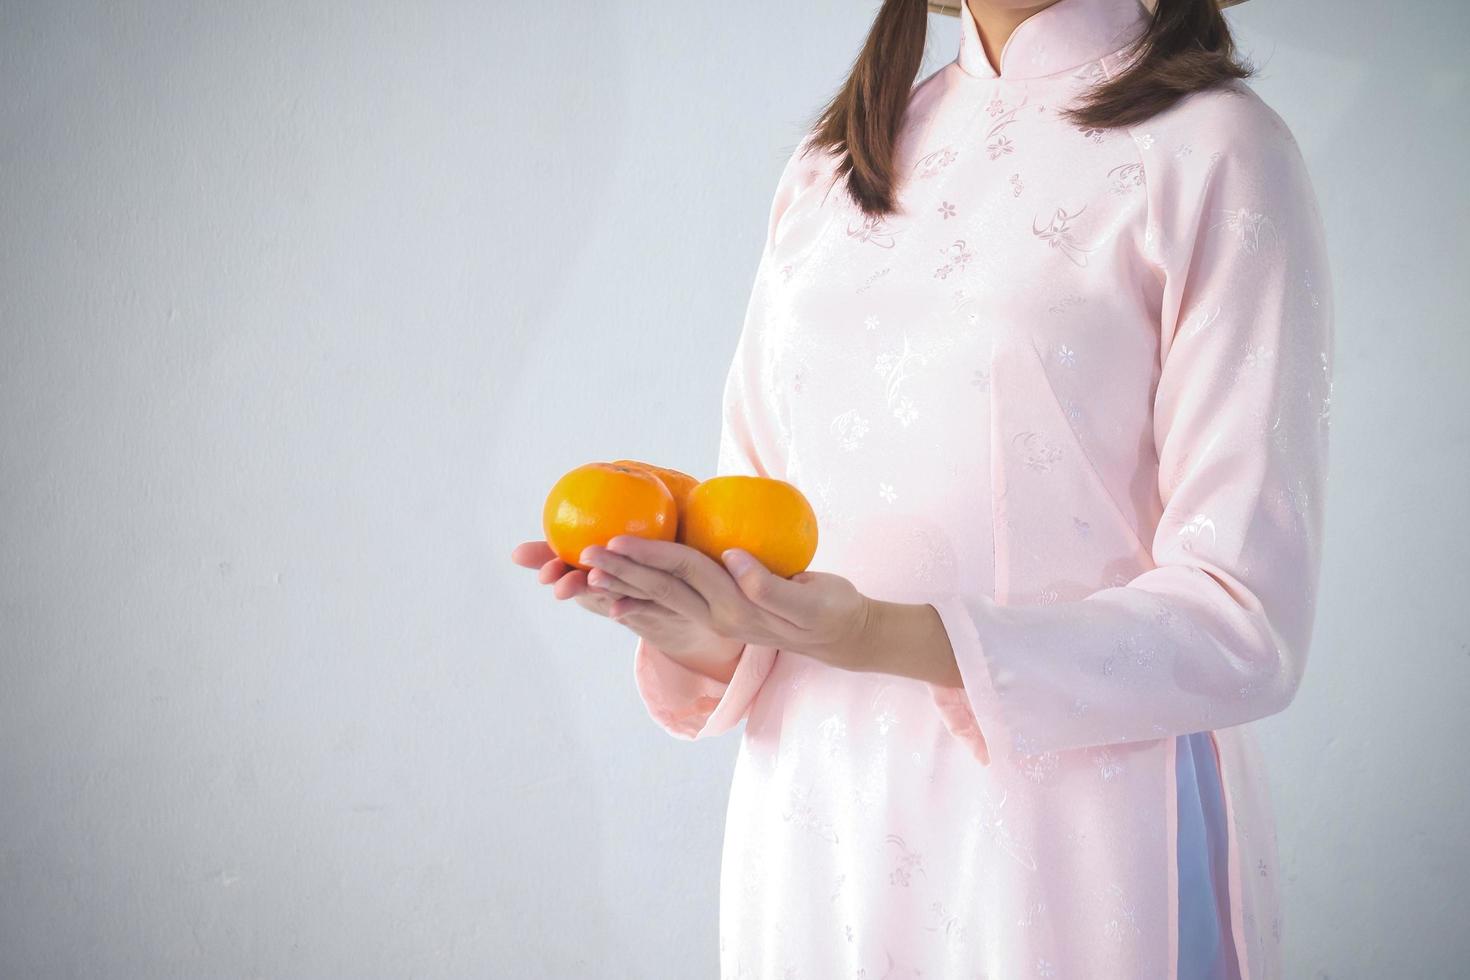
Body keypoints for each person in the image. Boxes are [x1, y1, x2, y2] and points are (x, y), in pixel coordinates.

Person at [512, 0, 1332, 976]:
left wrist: (875, 634)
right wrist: (700, 620)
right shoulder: (832, 165)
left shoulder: (1214, 150)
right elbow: (760, 523)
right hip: (814, 821)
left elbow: (1243, 619)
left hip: (1069, 836)